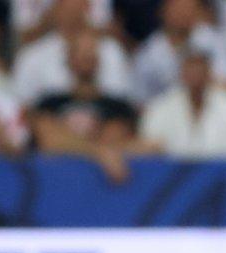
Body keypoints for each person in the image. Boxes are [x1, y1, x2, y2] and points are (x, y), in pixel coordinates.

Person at [30, 29, 142, 182]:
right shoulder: (49, 102)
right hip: (54, 182)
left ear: (98, 60)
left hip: (100, 187)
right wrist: (100, 152)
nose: (85, 57)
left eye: (90, 53)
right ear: (68, 59)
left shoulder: (118, 106)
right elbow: (49, 140)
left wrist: (68, 142)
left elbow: (113, 139)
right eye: (80, 53)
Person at [139, 47, 226, 158]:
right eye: (190, 68)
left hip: (221, 175)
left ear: (209, 73)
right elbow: (149, 150)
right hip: (172, 174)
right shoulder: (160, 109)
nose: (195, 75)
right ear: (181, 73)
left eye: (200, 69)